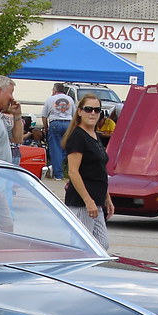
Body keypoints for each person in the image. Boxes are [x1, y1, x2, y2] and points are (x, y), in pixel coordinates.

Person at [62, 95, 114, 250]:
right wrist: (87, 200)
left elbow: (99, 170)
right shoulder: (78, 137)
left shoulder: (95, 136)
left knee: (101, 245)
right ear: (79, 112)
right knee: (84, 247)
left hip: (96, 201)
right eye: (88, 109)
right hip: (82, 202)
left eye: (97, 110)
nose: (92, 113)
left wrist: (107, 197)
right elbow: (73, 172)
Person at [41, 83, 74, 179]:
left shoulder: (50, 99)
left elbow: (44, 116)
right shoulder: (70, 99)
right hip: (68, 123)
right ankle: (58, 166)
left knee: (55, 149)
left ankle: (57, 173)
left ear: (54, 90)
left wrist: (46, 127)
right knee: (66, 148)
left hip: (55, 123)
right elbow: (74, 114)